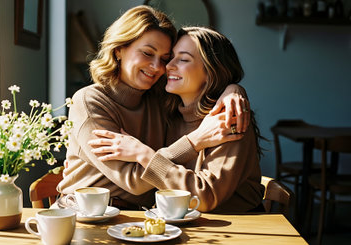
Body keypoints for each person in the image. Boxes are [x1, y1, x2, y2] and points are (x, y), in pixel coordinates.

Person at [58, 6, 251, 210]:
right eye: (148, 53)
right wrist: (195, 140)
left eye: (165, 58)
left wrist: (233, 89)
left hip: (145, 215)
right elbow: (134, 181)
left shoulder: (161, 99)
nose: (159, 67)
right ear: (118, 49)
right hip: (87, 213)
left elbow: (213, 78)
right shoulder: (89, 102)